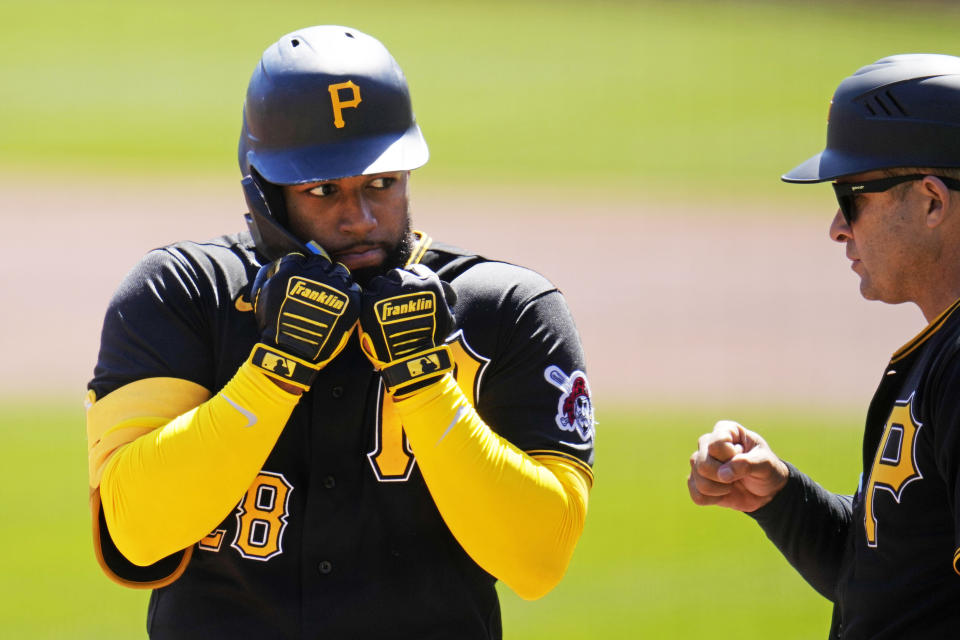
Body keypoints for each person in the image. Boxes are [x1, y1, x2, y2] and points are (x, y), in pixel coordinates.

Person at [85, 25, 594, 639]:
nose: (361, 218)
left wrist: (427, 384)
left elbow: (539, 562)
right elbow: (138, 532)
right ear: (265, 193)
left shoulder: (506, 309)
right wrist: (274, 373)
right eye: (323, 190)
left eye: (382, 183)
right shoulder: (184, 294)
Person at [687, 53, 960, 639]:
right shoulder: (943, 350)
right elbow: (883, 577)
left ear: (932, 201)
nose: (838, 227)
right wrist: (780, 497)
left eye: (852, 195)